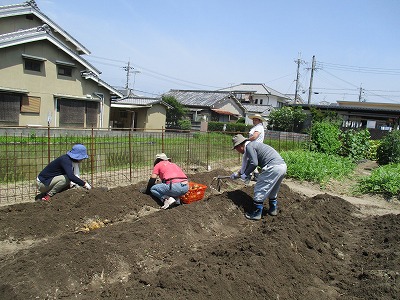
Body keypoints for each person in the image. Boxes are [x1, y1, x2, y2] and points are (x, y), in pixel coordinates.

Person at [230, 134, 287, 221]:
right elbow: (248, 164)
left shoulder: (249, 147)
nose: (237, 151)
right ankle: (273, 209)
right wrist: (237, 174)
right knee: (273, 189)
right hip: (282, 166)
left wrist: (245, 174)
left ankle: (256, 213)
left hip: (272, 167)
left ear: (239, 146)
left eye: (236, 148)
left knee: (260, 188)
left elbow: (254, 163)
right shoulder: (252, 145)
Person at [240, 114, 266, 181]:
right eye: (253, 119)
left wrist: (246, 140)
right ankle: (256, 176)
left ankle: (247, 177)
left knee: (250, 161)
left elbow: (255, 136)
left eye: (255, 119)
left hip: (254, 147)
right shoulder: (258, 127)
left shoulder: (259, 127)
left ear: (259, 120)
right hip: (255, 146)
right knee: (252, 161)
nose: (254, 121)